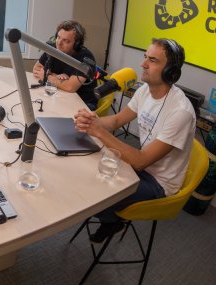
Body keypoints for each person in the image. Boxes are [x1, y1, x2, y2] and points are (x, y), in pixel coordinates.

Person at [74, 38, 196, 243]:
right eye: (145, 57)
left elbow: (140, 161)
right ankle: (110, 218)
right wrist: (92, 121)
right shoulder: (144, 91)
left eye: (153, 60)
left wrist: (99, 132)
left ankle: (111, 220)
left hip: (159, 183)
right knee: (85, 170)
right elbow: (117, 120)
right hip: (140, 167)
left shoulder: (180, 112)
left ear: (171, 72)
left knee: (94, 192)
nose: (143, 64)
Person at [32, 20, 98, 110]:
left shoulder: (85, 57)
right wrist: (56, 77)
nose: (59, 43)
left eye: (66, 41)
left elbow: (70, 87)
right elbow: (36, 69)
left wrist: (47, 76)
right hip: (60, 95)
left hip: (83, 103)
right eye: (58, 37)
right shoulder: (53, 48)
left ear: (76, 44)